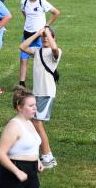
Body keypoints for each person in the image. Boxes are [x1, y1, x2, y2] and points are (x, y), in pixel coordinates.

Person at [19, 27, 61, 169]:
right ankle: (39, 154)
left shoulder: (56, 52)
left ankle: (48, 156)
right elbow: (22, 46)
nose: (44, 39)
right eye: (43, 37)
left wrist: (48, 33)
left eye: (48, 37)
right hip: (37, 94)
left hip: (46, 93)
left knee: (37, 123)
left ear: (53, 38)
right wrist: (37, 34)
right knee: (33, 123)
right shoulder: (37, 51)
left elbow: (55, 49)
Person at [0, 87, 43, 188]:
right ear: (19, 107)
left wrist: (37, 160)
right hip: (13, 173)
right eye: (30, 105)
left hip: (32, 172)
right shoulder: (14, 126)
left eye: (35, 104)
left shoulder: (29, 123)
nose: (35, 108)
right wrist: (17, 172)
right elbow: (0, 154)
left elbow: (32, 145)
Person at [19, 0, 60, 88]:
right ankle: (22, 83)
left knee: (43, 57)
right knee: (23, 58)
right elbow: (24, 12)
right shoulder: (24, 2)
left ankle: (52, 73)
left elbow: (56, 12)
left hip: (39, 35)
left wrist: (46, 25)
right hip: (27, 34)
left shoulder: (42, 2)